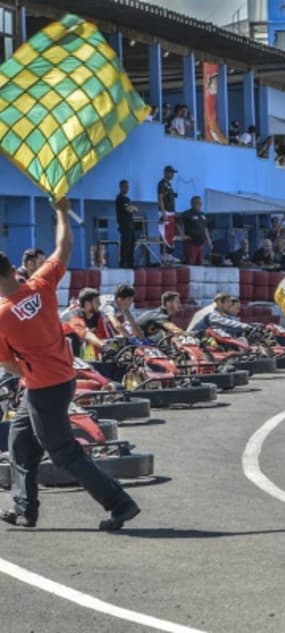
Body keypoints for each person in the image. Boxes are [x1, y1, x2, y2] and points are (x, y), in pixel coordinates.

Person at [0, 198, 139, 530]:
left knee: (63, 453)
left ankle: (120, 503)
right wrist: (61, 212)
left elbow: (7, 362)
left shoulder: (2, 315)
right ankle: (24, 508)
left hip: (44, 387)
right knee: (20, 441)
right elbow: (63, 246)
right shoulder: (41, 284)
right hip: (62, 378)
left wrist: (28, 375)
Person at [188, 292, 257, 338]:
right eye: (228, 302)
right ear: (220, 302)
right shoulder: (211, 313)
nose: (230, 304)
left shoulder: (216, 311)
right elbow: (226, 323)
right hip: (194, 340)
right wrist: (248, 327)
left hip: (200, 339)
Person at [179, 196, 212, 266]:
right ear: (192, 204)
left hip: (201, 243)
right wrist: (182, 235)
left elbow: (205, 228)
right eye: (197, 203)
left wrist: (209, 240)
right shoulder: (187, 214)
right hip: (191, 243)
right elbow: (178, 223)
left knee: (200, 263)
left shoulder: (203, 215)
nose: (199, 205)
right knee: (191, 262)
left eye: (200, 203)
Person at [157, 165, 178, 264]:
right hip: (165, 212)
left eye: (173, 173)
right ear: (166, 172)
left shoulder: (169, 185)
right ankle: (164, 255)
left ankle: (169, 254)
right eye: (171, 172)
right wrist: (164, 212)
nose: (172, 175)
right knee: (164, 234)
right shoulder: (162, 184)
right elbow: (160, 198)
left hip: (171, 212)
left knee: (170, 234)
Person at [115, 180, 137, 268]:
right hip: (124, 225)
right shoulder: (120, 198)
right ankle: (124, 263)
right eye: (125, 186)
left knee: (132, 243)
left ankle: (130, 262)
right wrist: (132, 209)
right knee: (126, 244)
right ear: (120, 187)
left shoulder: (127, 199)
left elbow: (133, 208)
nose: (127, 188)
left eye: (128, 186)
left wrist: (132, 208)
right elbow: (129, 209)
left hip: (130, 224)